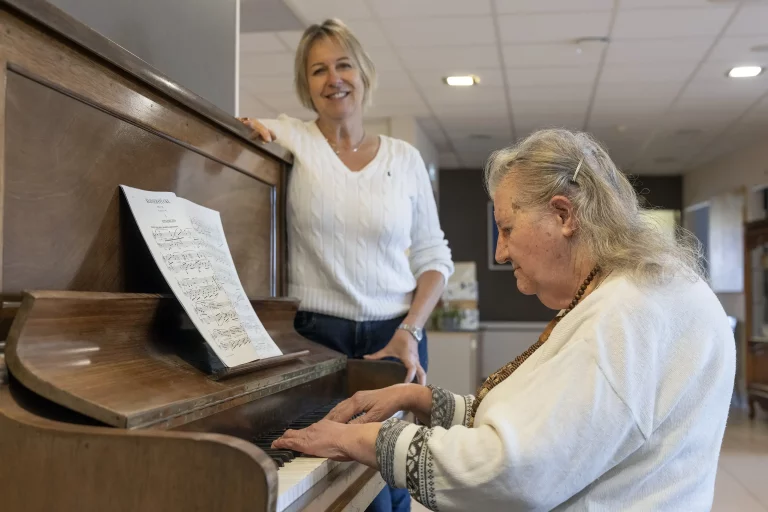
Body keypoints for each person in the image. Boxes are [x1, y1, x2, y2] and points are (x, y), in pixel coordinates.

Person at [271, 129, 736, 511]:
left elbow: (514, 473)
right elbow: (540, 424)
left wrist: (364, 439)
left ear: (563, 215)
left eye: (507, 229)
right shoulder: (632, 291)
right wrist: (420, 397)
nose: (499, 251)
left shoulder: (629, 310)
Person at [239, 18, 454, 512]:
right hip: (316, 339)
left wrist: (412, 331)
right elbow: (248, 136)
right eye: (318, 70)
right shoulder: (293, 138)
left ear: (365, 75)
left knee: (396, 480)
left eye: (343, 65)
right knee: (330, 484)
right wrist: (250, 131)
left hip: (394, 338)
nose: (333, 78)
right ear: (305, 85)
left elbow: (434, 257)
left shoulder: (405, 158)